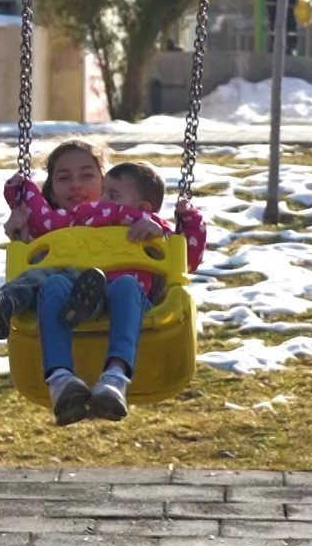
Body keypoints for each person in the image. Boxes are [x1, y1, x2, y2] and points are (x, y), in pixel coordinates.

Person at [0, 141, 174, 426]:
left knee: (125, 284)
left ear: (105, 182)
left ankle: (114, 380)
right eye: (64, 178)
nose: (75, 184)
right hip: (67, 300)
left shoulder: (127, 218)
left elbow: (177, 251)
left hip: (120, 298)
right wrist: (21, 236)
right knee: (52, 283)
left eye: (87, 175)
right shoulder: (51, 228)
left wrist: (157, 229)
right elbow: (29, 265)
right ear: (50, 190)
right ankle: (61, 382)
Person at [57, 162, 206, 422]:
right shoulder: (89, 224)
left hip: (135, 304)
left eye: (113, 196)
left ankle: (115, 377)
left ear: (143, 209)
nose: (102, 201)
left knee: (126, 284)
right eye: (103, 193)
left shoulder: (153, 228)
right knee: (76, 282)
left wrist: (177, 226)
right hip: (88, 301)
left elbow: (189, 258)